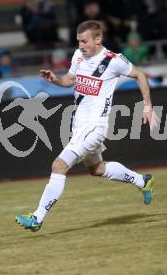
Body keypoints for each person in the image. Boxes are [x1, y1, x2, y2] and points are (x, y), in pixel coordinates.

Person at [16, 20, 158, 232]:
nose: (81, 45)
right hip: (79, 125)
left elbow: (139, 75)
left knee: (58, 166)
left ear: (98, 39)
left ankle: (37, 217)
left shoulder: (113, 60)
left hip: (94, 127)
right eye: (78, 41)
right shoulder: (78, 56)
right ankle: (142, 181)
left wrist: (147, 106)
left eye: (84, 41)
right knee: (97, 169)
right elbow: (69, 80)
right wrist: (54, 79)